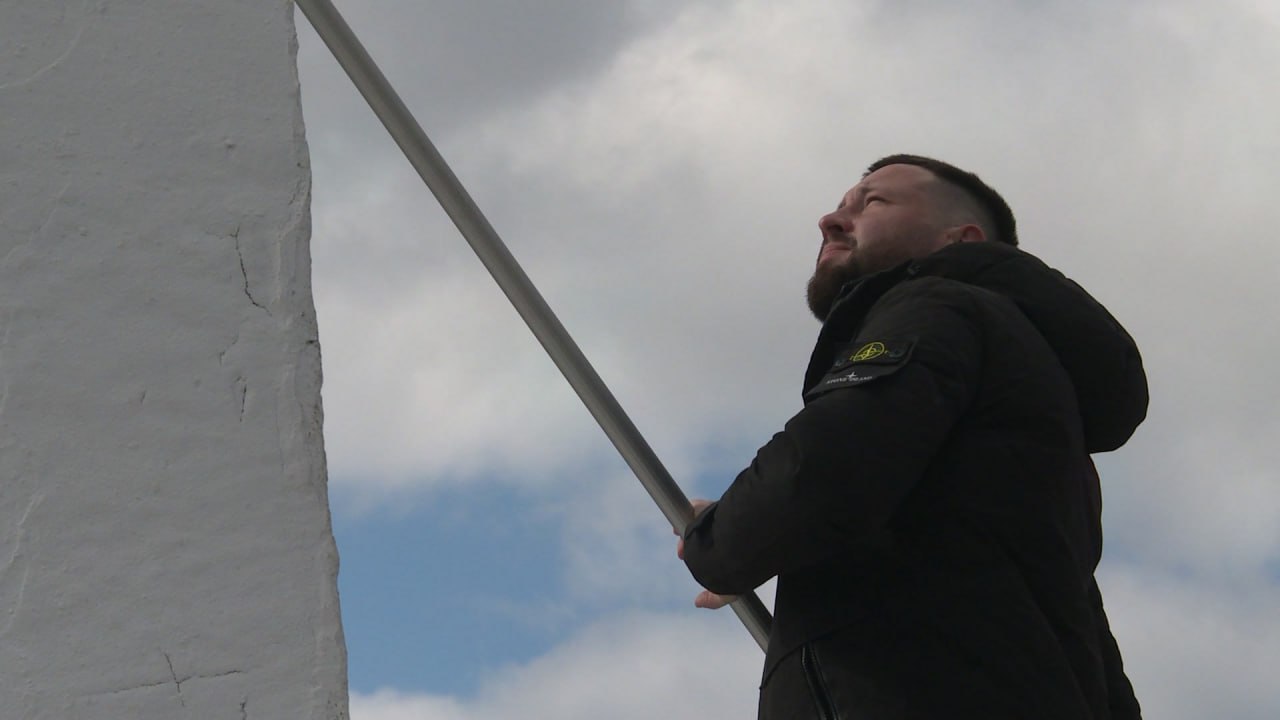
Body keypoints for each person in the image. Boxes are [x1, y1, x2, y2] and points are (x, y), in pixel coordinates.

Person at [677, 155, 1146, 719]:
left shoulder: (937, 304)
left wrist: (723, 538)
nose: (830, 220)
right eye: (841, 205)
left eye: (872, 202)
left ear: (961, 241)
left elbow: (827, 469)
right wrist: (765, 543)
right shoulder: (1036, 408)